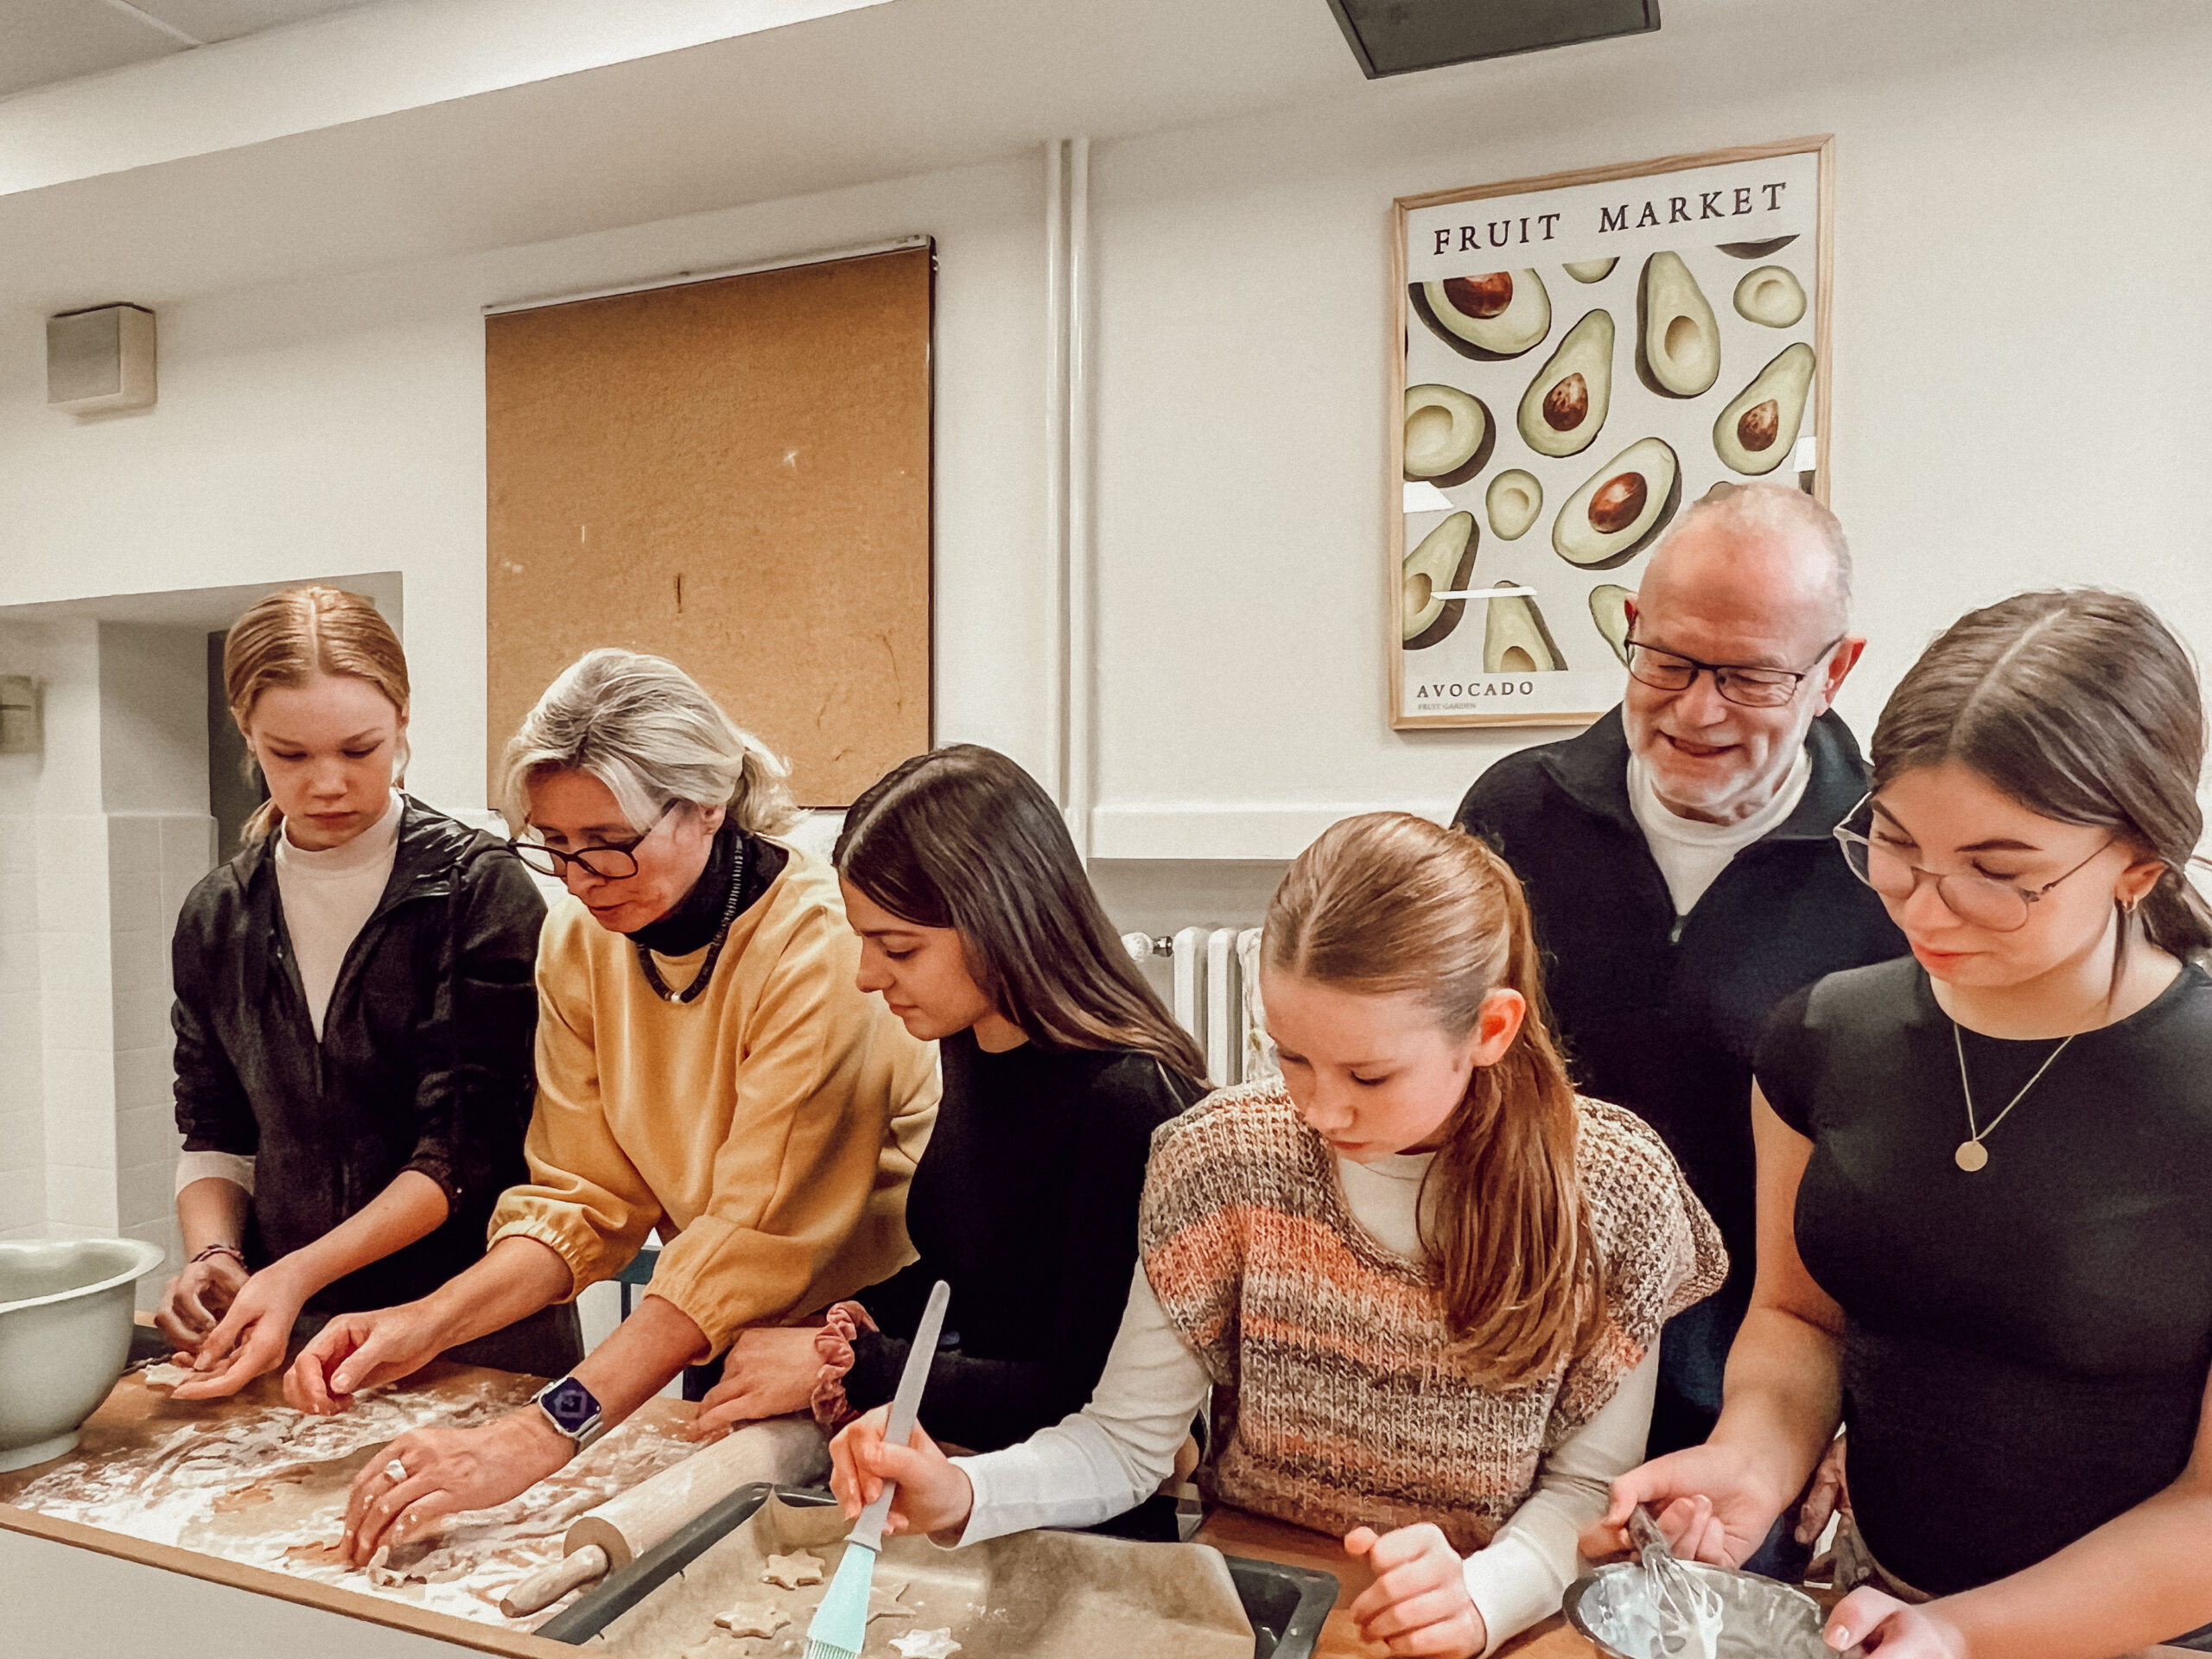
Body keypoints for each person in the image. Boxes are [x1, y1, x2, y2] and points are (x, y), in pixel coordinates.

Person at [830, 813, 1726, 1659]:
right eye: (1289, 1056)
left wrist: (1481, 1596)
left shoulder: (1611, 1188)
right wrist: (966, 1492)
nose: (1321, 1107)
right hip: (1253, 1594)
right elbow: (1126, 1443)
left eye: (1369, 1074)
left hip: (1496, 1612)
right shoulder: (1222, 1158)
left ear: (1489, 1030)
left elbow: (1582, 1493)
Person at [1592, 590, 2212, 1656]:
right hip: (1876, 1603)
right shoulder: (1827, 1034)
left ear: (2140, 864)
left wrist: (1961, 1636)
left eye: (1999, 875)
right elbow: (1799, 1320)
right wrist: (1749, 1461)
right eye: (1895, 845)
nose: (1924, 907)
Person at [285, 649, 940, 1567]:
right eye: (554, 844)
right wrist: (427, 1318)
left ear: (708, 801)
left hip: (886, 1341)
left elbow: (751, 1237)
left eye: (609, 839)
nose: (582, 876)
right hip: (722, 1333)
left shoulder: (819, 946)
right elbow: (579, 1201)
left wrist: (538, 1434)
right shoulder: (579, 945)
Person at [1453, 483, 1903, 1486]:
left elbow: (1905, 1176)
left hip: (1755, 1397)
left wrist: (1850, 1411)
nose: (1696, 711)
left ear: (1834, 672)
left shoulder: (1895, 863)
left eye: (1749, 678)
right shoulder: (1512, 811)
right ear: (1628, 627)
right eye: (1668, 660)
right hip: (1518, 1364)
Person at [690, 745, 1211, 1460]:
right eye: (864, 942)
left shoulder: (1126, 1101)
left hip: (1073, 1487)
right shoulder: (971, 1035)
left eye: (898, 949)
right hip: (976, 1463)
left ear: (1001, 921)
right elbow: (975, 1268)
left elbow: (1087, 1398)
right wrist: (845, 1323)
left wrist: (856, 1367)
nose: (868, 976)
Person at [154, 587, 572, 1399]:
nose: (328, 783)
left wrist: (295, 1275)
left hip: (475, 1327)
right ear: (248, 733)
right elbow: (213, 1126)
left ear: (403, 722)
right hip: (291, 1326)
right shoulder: (218, 914)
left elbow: (461, 1153)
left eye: (359, 749)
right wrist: (216, 1258)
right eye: (292, 755)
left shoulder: (477, 890)